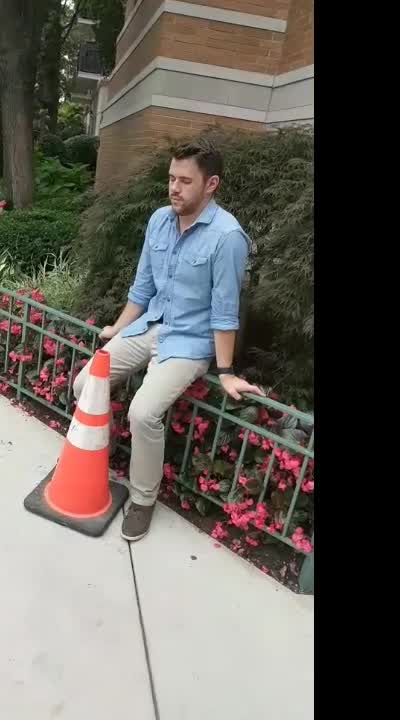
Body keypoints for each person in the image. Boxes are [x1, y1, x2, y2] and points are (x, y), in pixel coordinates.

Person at [71, 139, 264, 542]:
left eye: (185, 181)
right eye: (171, 178)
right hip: (150, 325)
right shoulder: (160, 219)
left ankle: (143, 500)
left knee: (144, 413)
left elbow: (225, 310)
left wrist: (225, 371)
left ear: (211, 184)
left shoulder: (227, 237)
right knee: (85, 384)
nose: (174, 188)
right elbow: (142, 288)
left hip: (190, 342)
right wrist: (118, 329)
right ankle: (95, 459)